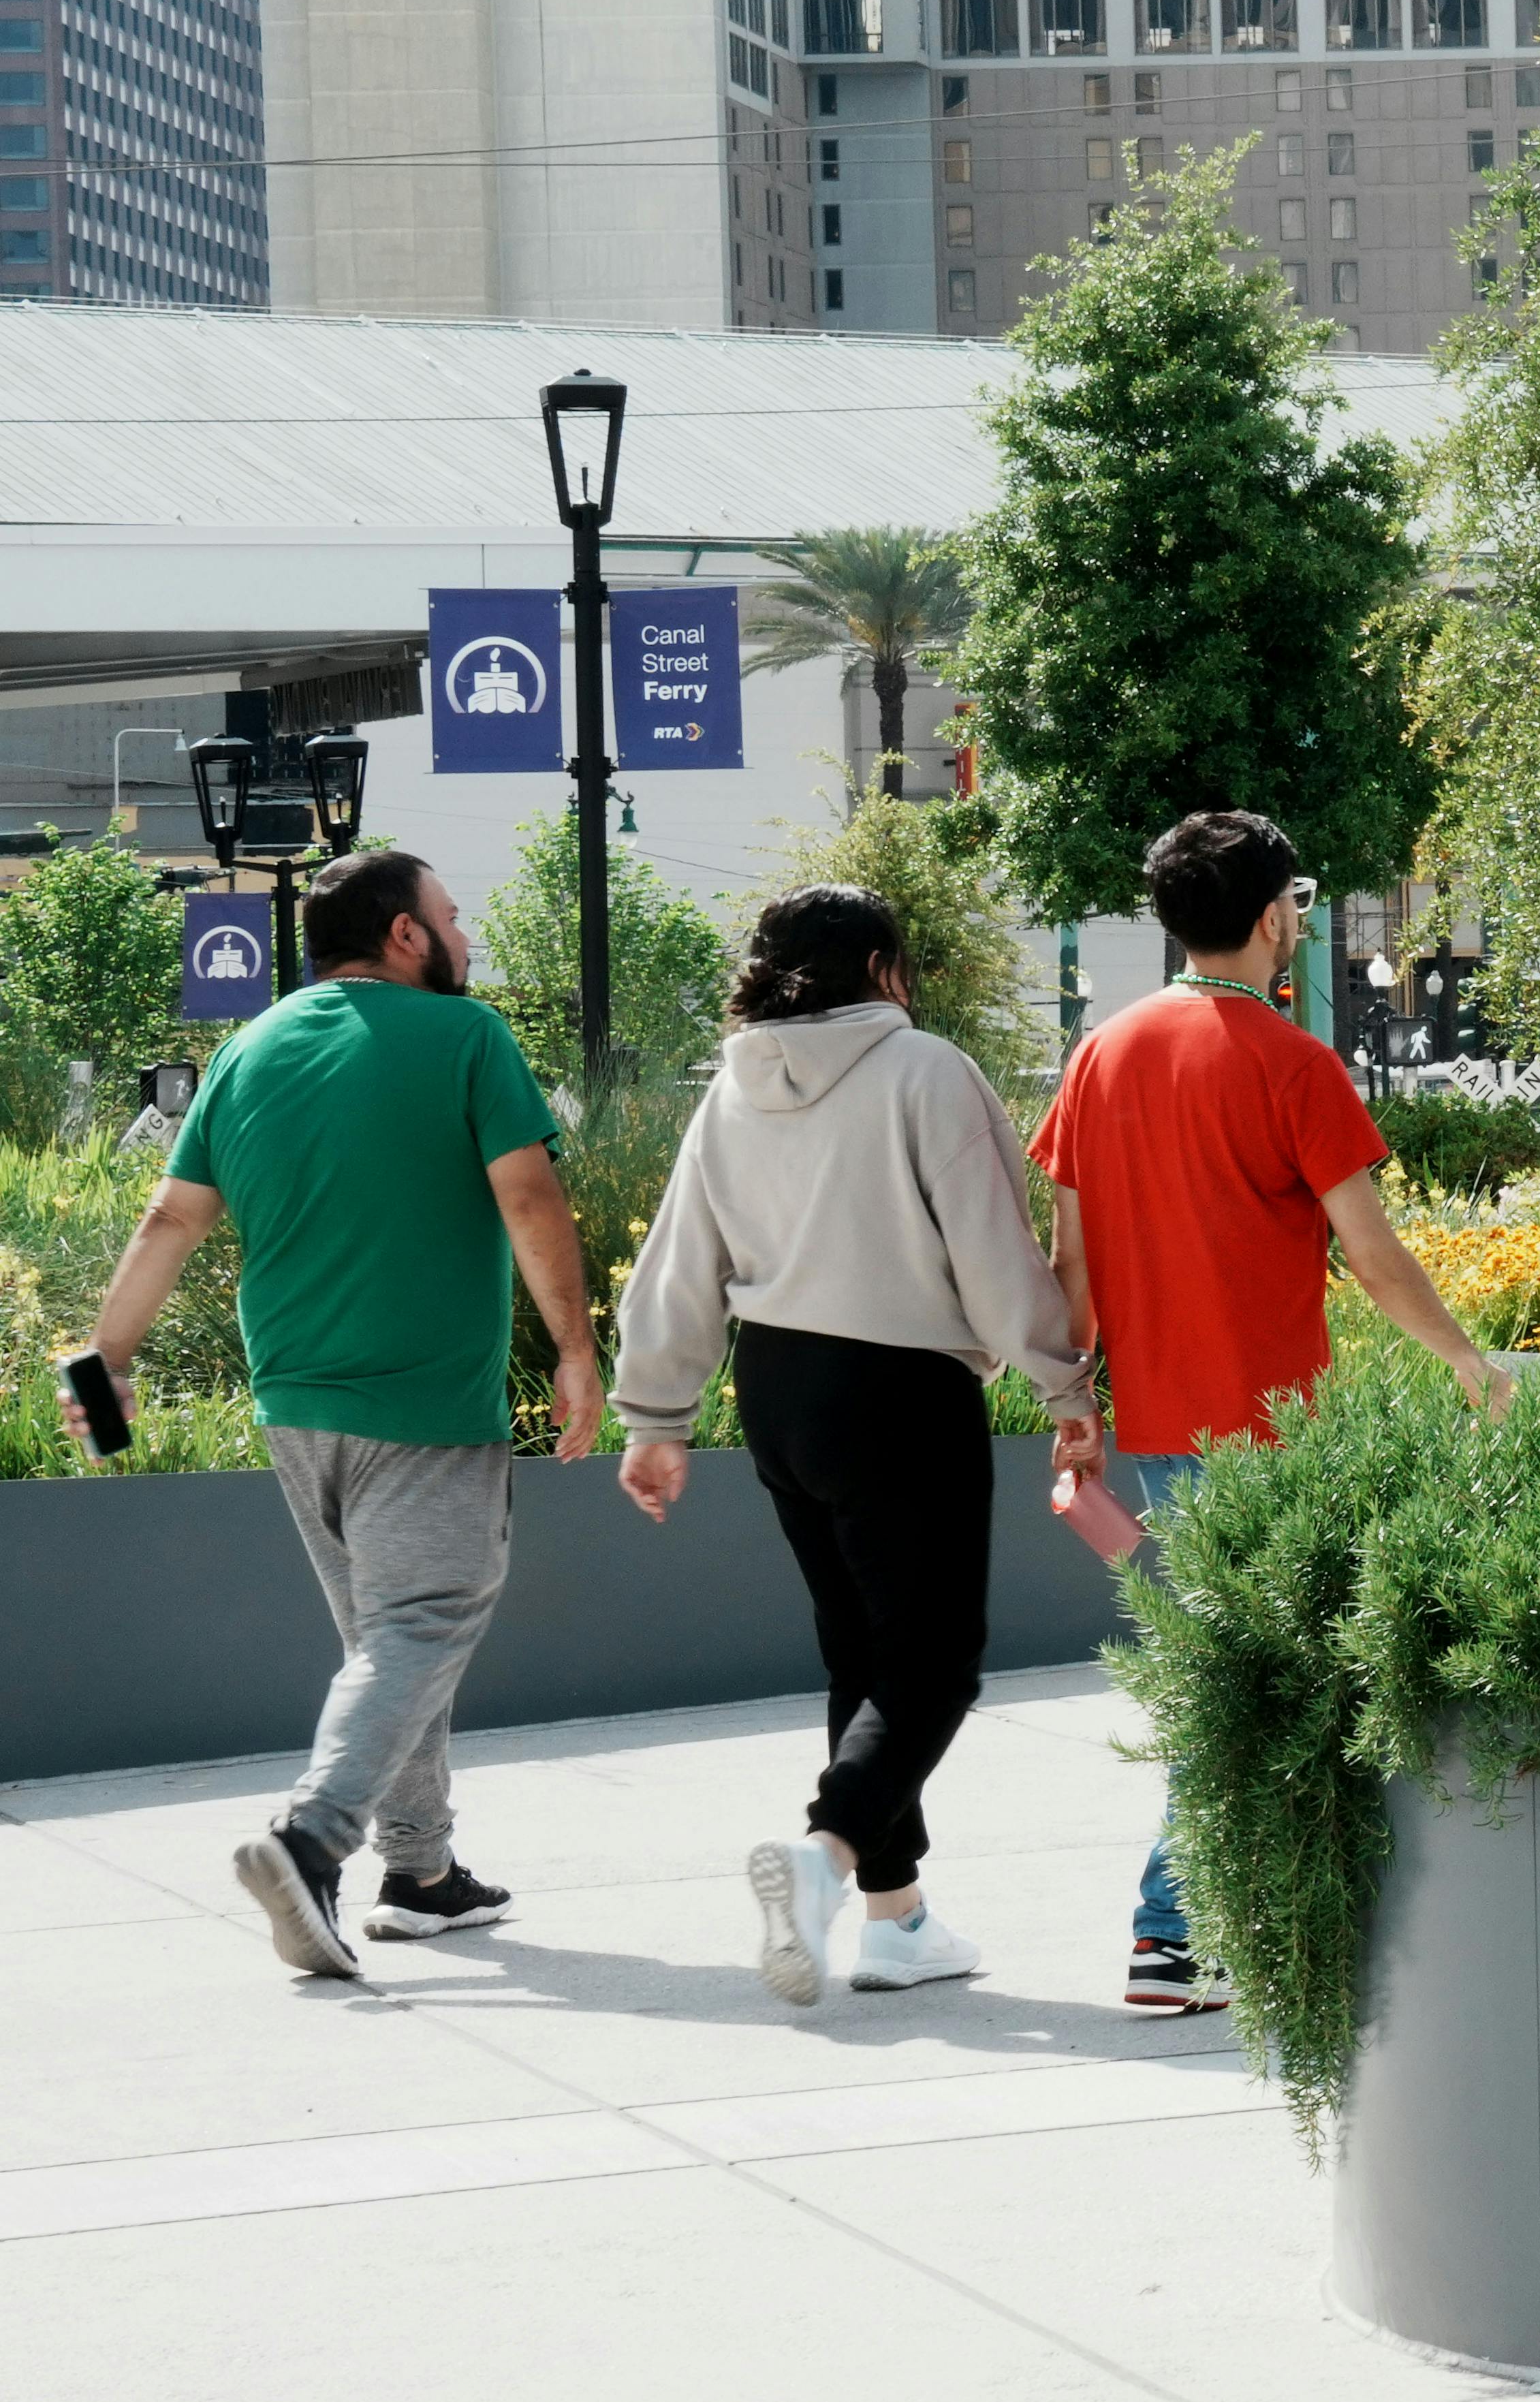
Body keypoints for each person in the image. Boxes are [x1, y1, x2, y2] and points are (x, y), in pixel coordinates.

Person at [61, 849, 642, 1980]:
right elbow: (529, 1194)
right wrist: (576, 1351)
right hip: (422, 1398)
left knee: (388, 1645)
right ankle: (308, 1841)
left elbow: (170, 1219)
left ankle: (420, 1872)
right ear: (406, 937)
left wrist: (104, 1364)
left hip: (294, 1401)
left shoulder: (252, 1046)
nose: (467, 937)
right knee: (424, 1624)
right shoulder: (468, 1039)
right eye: (455, 915)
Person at [1031, 811, 1509, 2013]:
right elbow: (1373, 1253)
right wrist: (1464, 1357)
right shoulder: (1294, 1063)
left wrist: (1072, 1403)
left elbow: (1070, 1269)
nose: (1297, 919)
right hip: (1274, 1428)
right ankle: (1173, 1937)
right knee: (1250, 1672)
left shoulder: (1103, 1052)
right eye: (1293, 900)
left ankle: (1219, 1932)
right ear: (1269, 919)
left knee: (1241, 1661)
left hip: (1154, 1426)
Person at [614, 886, 1103, 2010]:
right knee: (935, 1662)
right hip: (899, 1388)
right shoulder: (926, 1070)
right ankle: (826, 1856)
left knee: (864, 1659)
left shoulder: (731, 1089)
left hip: (778, 1388)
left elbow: (682, 1258)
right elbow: (992, 1249)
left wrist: (658, 1418)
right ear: (883, 965)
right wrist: (1064, 1383)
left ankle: (897, 1922)